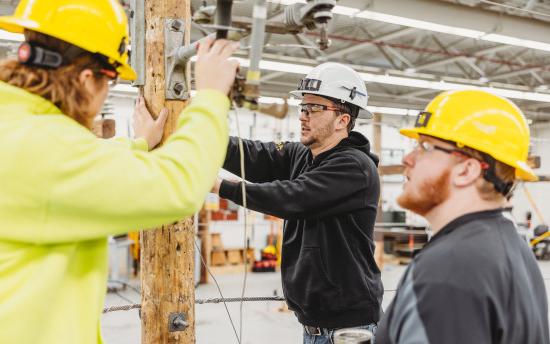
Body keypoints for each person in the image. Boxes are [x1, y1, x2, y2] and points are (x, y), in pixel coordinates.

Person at [0, 0, 239, 343]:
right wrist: (213, 98)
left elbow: (68, 170)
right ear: (86, 80)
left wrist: (137, 145)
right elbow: (178, 186)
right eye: (110, 81)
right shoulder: (50, 149)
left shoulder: (17, 126)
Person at [211, 62, 383, 343]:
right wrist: (203, 138)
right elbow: (253, 155)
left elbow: (291, 197)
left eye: (315, 109)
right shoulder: (302, 155)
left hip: (348, 329)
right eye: (303, 108)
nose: (303, 116)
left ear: (343, 120)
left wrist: (221, 186)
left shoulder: (354, 167)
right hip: (314, 326)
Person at [376, 90, 549, 344]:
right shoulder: (511, 247)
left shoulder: (447, 271)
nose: (407, 158)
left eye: (424, 147)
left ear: (466, 170)